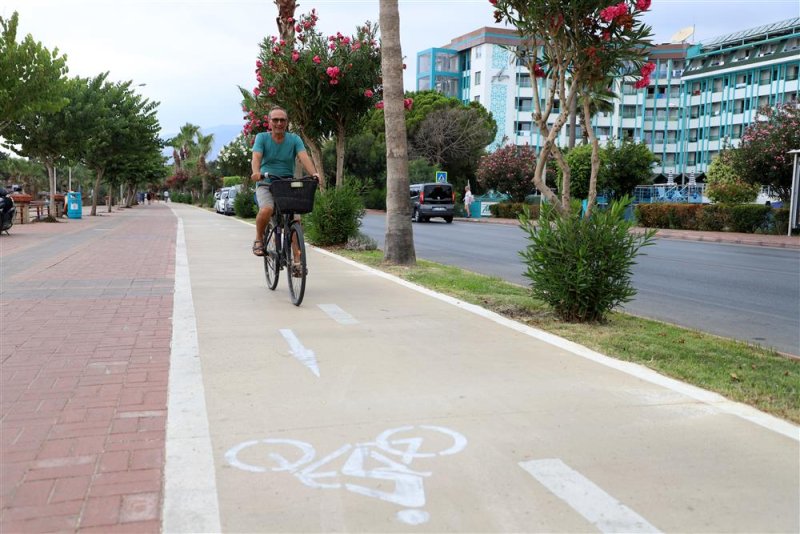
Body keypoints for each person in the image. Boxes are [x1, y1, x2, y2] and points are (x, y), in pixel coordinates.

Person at [250, 106, 319, 258]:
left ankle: (297, 261)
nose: (279, 123)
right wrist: (256, 173)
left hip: (286, 183)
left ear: (287, 122)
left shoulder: (294, 139)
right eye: (275, 120)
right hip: (266, 182)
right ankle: (259, 239)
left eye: (282, 120)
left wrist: (314, 173)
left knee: (295, 220)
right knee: (267, 209)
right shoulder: (262, 137)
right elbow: (256, 157)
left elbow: (304, 156)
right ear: (269, 122)